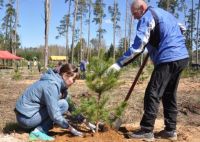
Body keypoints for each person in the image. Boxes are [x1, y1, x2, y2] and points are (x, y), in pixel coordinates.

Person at [108, 0, 189, 141]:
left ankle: (146, 130)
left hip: (168, 57)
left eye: (135, 13)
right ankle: (170, 130)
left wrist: (119, 63)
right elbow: (182, 28)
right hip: (181, 57)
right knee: (169, 93)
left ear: (142, 8)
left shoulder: (147, 16)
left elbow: (138, 47)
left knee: (152, 93)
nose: (134, 17)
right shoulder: (165, 14)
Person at [15, 63, 93, 141]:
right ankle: (38, 132)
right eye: (73, 79)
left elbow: (70, 104)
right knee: (63, 105)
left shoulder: (57, 81)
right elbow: (55, 115)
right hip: (26, 119)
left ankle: (37, 128)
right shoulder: (52, 85)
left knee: (64, 103)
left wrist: (85, 121)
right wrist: (70, 128)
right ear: (65, 75)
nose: (73, 82)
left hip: (29, 115)